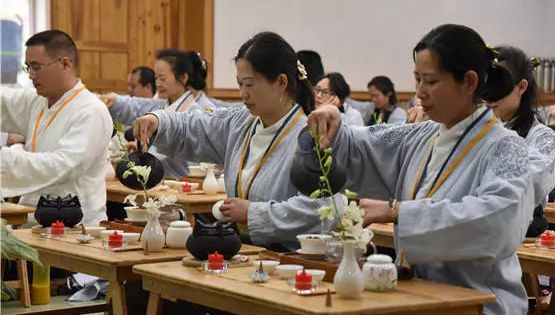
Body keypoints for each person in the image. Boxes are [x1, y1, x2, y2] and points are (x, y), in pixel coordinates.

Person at [307, 24, 533, 314]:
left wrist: (397, 212)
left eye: (431, 81)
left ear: (469, 82)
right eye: (417, 80)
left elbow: (496, 223)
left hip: (481, 303)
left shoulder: (505, 146)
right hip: (421, 296)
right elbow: (364, 145)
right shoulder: (422, 135)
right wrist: (334, 122)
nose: (419, 93)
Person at [133, 32, 344, 251]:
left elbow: (323, 208)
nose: (242, 93)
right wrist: (159, 121)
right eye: (239, 84)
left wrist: (253, 213)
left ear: (281, 82)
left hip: (291, 260)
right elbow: (197, 124)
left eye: (250, 84)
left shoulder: (310, 136)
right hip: (240, 251)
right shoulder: (242, 120)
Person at [1, 30, 112, 225]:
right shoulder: (37, 101)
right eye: (28, 68)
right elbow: (4, 103)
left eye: (36, 67)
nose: (31, 76)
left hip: (77, 224)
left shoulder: (91, 110)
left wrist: (6, 158)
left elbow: (62, 165)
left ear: (65, 64)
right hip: (33, 217)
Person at [103, 49, 216, 179]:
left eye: (162, 78)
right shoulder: (160, 105)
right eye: (156, 78)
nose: (158, 83)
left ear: (183, 78)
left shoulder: (195, 114)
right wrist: (114, 100)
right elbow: (135, 105)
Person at [487, 46, 555, 237]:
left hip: (520, 232)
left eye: (500, 86)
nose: (490, 96)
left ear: (522, 87)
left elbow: (530, 182)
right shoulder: (478, 128)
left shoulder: (541, 136)